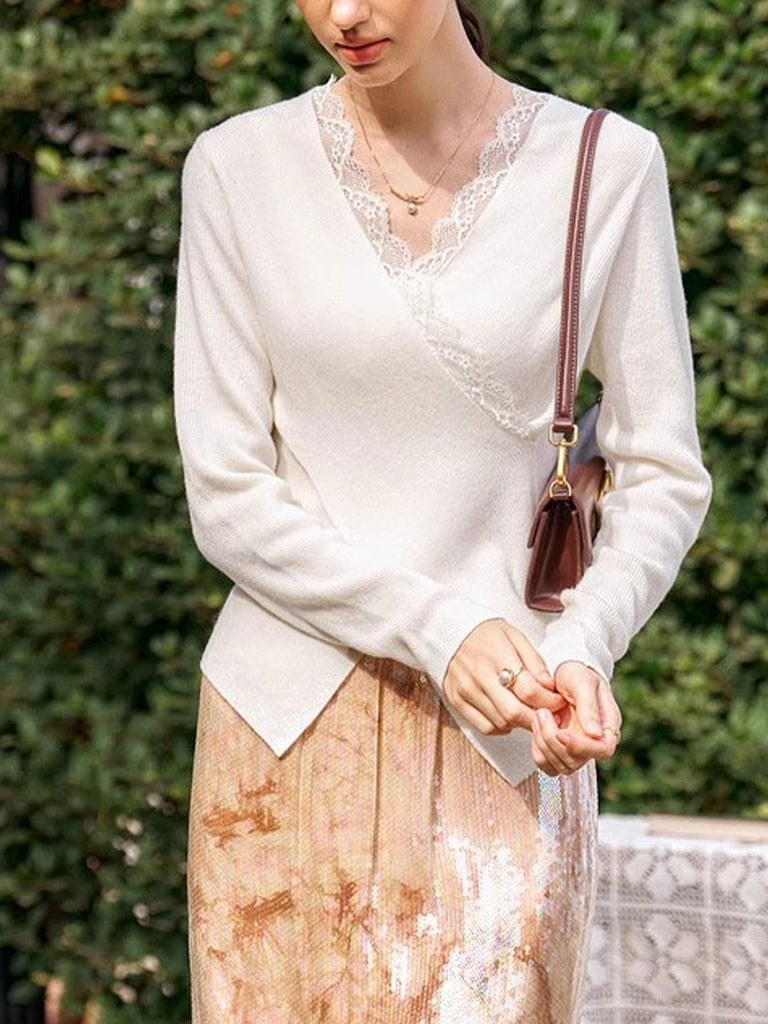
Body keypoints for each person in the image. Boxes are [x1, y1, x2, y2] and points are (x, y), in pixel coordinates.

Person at [172, 0, 713, 1020]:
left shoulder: (603, 166)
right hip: (282, 723)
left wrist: (584, 645)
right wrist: (438, 625)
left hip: (509, 728)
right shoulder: (238, 168)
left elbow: (664, 472)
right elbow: (227, 494)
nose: (343, 15)